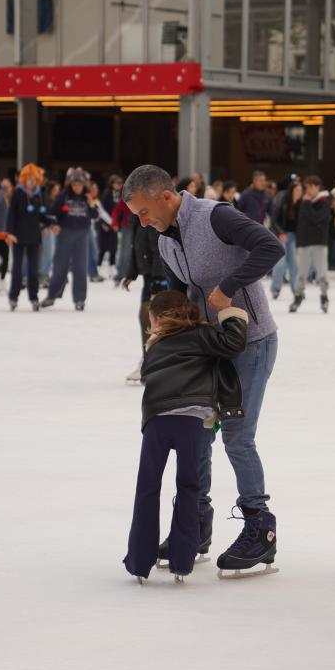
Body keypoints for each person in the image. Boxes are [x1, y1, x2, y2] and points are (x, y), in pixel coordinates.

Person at [122, 164, 284, 577]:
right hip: (211, 346)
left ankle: (259, 528)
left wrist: (228, 287)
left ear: (164, 195)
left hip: (253, 340)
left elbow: (270, 247)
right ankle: (196, 522)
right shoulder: (163, 241)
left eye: (143, 212)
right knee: (201, 431)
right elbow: (189, 295)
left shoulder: (216, 216)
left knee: (237, 437)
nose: (141, 222)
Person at [124, 291, 249, 583]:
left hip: (156, 420)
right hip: (192, 421)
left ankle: (139, 560)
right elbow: (234, 344)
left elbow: (148, 378)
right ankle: (181, 561)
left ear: (156, 319)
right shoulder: (201, 335)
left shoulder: (154, 347)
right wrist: (232, 314)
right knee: (189, 488)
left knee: (147, 487)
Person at [121, 211, 165, 384]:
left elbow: (158, 251)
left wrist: (157, 282)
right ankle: (149, 360)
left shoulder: (153, 217)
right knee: (146, 317)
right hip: (149, 276)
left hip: (158, 276)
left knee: (152, 317)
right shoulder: (136, 216)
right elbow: (136, 246)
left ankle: (153, 362)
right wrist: (131, 273)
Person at [41, 167, 92, 311]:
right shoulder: (63, 196)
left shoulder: (88, 197)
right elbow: (52, 214)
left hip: (82, 234)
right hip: (65, 234)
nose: (77, 187)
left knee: (80, 267)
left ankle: (80, 299)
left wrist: (91, 202)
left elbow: (95, 215)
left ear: (83, 185)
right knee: (59, 266)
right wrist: (54, 224)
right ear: (70, 184)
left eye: (79, 184)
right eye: (74, 184)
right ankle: (52, 295)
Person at [6, 163, 52, 312]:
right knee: (17, 269)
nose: (31, 181)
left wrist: (52, 223)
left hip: (34, 237)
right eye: (28, 178)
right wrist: (9, 233)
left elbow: (42, 215)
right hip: (18, 236)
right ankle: (13, 297)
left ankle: (34, 297)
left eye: (33, 178)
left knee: (33, 271)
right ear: (23, 179)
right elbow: (11, 215)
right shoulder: (17, 193)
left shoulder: (39, 194)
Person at [289, 175, 332, 314]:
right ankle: (298, 296)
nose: (306, 190)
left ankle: (324, 296)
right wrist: (299, 243)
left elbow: (316, 218)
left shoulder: (325, 199)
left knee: (321, 272)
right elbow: (301, 222)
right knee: (301, 272)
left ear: (316, 186)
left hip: (319, 241)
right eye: (306, 187)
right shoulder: (305, 201)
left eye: (308, 187)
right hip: (305, 242)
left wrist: (306, 204)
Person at [269, 177, 301, 300]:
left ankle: (296, 290)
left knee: (294, 264)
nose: (299, 192)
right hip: (280, 234)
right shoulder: (282, 199)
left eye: (300, 190)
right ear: (292, 190)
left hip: (293, 236)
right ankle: (275, 289)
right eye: (297, 190)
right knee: (280, 264)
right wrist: (280, 233)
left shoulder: (301, 203)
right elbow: (273, 220)